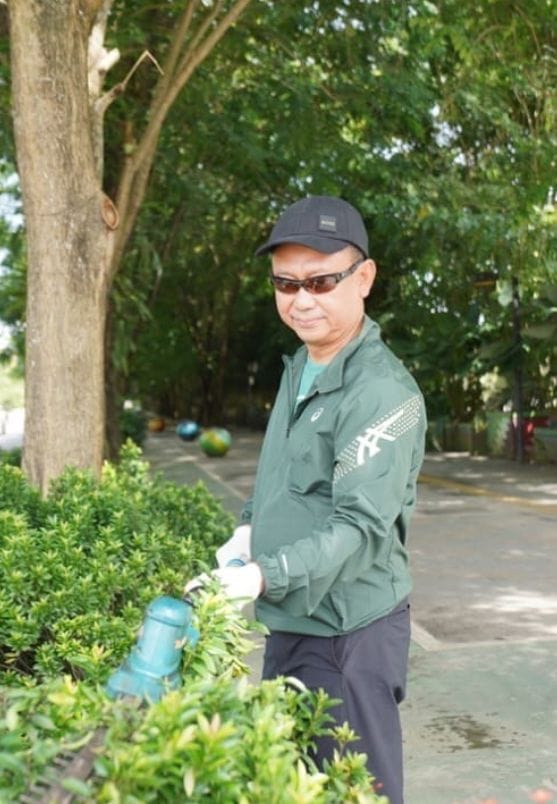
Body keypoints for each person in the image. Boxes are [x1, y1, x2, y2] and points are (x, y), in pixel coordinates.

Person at [196, 195, 426, 804]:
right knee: (293, 785)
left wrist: (265, 576)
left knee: (357, 792)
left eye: (322, 281)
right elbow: (278, 474)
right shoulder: (301, 365)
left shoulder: (381, 393)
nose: (302, 299)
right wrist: (247, 532)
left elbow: (360, 527)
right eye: (286, 283)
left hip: (349, 633)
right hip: (291, 620)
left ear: (364, 278)